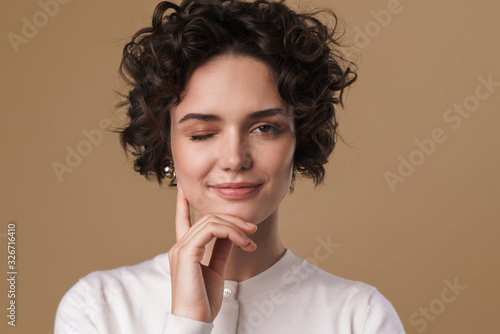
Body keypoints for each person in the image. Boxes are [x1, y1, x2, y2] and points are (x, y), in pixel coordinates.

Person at [55, 0, 406, 333]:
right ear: (165, 149)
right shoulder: (98, 308)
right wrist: (188, 322)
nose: (235, 159)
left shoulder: (360, 318)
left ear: (301, 140)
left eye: (264, 128)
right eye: (203, 133)